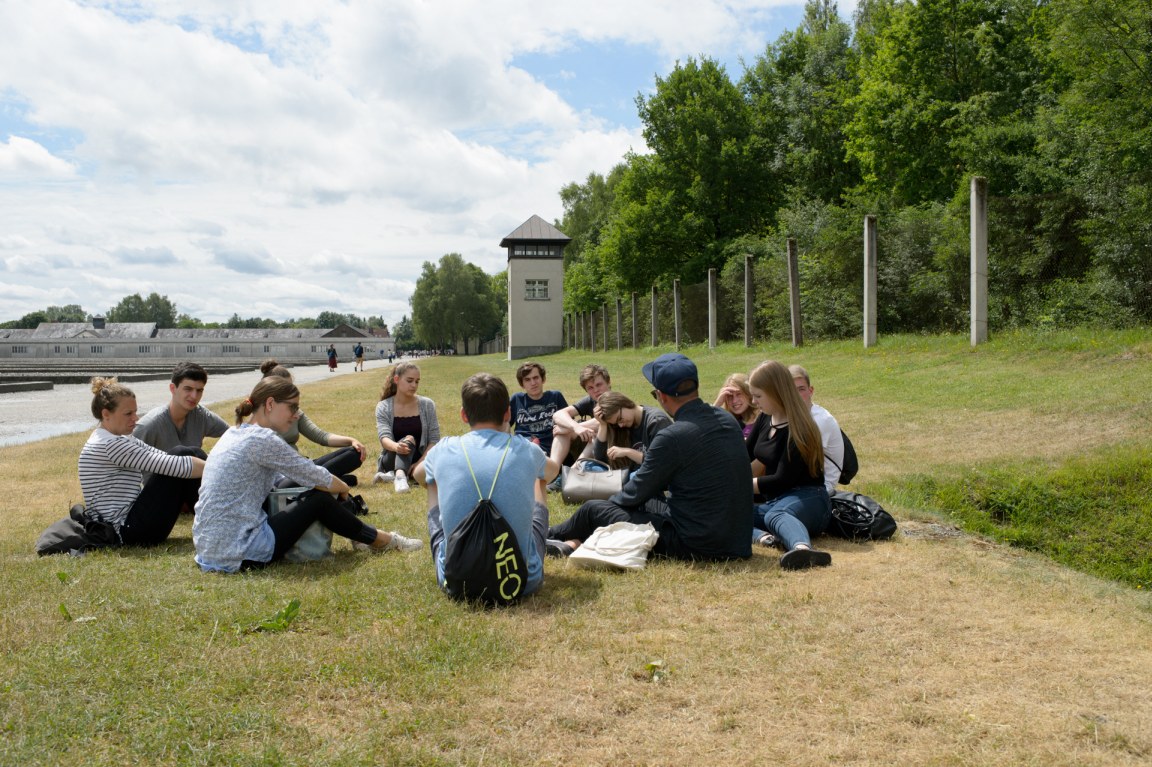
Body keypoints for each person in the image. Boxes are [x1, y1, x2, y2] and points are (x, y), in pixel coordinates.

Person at [192, 375, 421, 573]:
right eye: (293, 407)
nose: (296, 415)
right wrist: (343, 488)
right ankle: (382, 540)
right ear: (270, 404)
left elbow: (294, 478)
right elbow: (315, 477)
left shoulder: (235, 433)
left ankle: (361, 537)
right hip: (239, 553)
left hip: (208, 550)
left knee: (314, 488)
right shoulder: (263, 439)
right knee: (319, 499)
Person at [547, 353, 752, 561]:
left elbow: (635, 493)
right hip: (737, 539)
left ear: (661, 396)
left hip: (696, 542)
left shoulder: (672, 435)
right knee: (648, 504)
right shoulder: (728, 421)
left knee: (593, 510)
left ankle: (545, 535)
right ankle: (571, 544)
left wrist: (608, 507)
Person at [414, 373, 560, 598]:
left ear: (464, 415)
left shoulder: (444, 449)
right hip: (521, 582)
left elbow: (418, 475)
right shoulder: (524, 449)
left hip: (456, 581)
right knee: (538, 477)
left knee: (432, 480)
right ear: (508, 414)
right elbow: (552, 472)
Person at [78, 377, 206, 546]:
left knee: (185, 452)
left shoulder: (114, 438)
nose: (135, 418)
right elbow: (176, 466)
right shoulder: (111, 444)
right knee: (182, 456)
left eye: (135, 412)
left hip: (130, 524)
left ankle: (216, 519)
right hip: (126, 531)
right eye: (128, 414)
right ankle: (218, 521)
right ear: (106, 414)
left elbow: (160, 456)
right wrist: (221, 466)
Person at [746, 360, 833, 570]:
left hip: (810, 498)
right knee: (732, 512)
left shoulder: (800, 429)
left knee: (777, 515)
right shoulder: (764, 420)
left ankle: (802, 550)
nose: (753, 401)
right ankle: (765, 538)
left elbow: (781, 480)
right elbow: (744, 456)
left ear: (776, 392)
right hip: (776, 500)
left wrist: (740, 485)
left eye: (758, 396)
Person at [260, 360, 366, 486]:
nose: (292, 391)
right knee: (348, 479)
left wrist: (351, 441)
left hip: (302, 465)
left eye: (292, 386)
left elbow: (320, 436)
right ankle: (325, 480)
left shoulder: (295, 412)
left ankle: (321, 480)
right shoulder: (261, 417)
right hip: (283, 473)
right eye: (286, 388)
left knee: (354, 453)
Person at [133, 361, 229, 453]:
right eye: (188, 389)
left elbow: (233, 434)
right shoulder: (149, 425)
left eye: (199, 390)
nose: (194, 396)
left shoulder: (201, 416)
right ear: (173, 388)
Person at [373, 362, 439, 493]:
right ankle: (400, 476)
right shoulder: (383, 406)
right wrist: (397, 447)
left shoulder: (427, 405)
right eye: (409, 381)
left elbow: (434, 440)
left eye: (417, 381)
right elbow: (384, 437)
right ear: (396, 379)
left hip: (420, 458)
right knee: (408, 439)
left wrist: (420, 464)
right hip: (391, 456)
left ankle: (395, 474)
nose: (414, 385)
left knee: (409, 440)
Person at [789, 364, 845, 494]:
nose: (796, 395)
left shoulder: (820, 420)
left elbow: (798, 461)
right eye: (792, 390)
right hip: (802, 481)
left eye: (801, 389)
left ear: (811, 391)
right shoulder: (797, 415)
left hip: (820, 487)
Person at [588, 390, 672, 470]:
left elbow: (660, 461)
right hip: (628, 475)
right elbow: (600, 458)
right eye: (616, 423)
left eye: (619, 419)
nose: (620, 425)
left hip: (650, 477)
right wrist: (603, 425)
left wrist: (628, 452)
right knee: (590, 467)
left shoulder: (656, 422)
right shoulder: (621, 426)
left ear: (624, 403)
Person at [509, 361, 568, 466]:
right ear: (522, 384)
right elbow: (503, 425)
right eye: (527, 380)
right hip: (526, 449)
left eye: (536, 378)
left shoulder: (555, 397)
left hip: (553, 450)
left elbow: (569, 423)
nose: (533, 383)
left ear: (543, 379)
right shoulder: (517, 399)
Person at [551, 364, 612, 455]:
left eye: (599, 385)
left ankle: (576, 467)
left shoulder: (615, 400)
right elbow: (558, 414)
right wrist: (575, 427)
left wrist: (569, 429)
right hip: (596, 446)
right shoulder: (591, 400)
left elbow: (602, 421)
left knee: (595, 434)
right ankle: (554, 466)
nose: (595, 390)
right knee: (563, 433)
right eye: (590, 388)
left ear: (608, 382)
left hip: (614, 448)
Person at [713, 372, 759, 440]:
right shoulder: (727, 421)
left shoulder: (761, 417)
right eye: (730, 396)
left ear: (749, 394)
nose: (734, 401)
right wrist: (716, 405)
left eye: (739, 394)